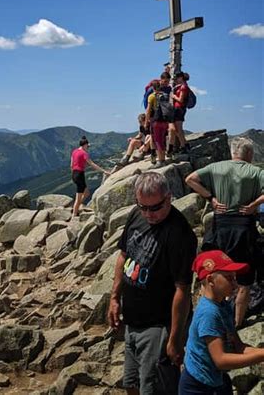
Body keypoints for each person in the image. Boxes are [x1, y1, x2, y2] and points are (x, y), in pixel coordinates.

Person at [107, 172, 197, 395]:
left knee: (155, 388)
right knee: (131, 383)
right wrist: (114, 298)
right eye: (142, 207)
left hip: (158, 326)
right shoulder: (136, 215)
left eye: (155, 208)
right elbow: (123, 255)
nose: (149, 214)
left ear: (168, 198)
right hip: (132, 321)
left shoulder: (180, 234)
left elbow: (182, 290)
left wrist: (174, 339)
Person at [185, 137, 264, 327]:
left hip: (220, 226)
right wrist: (254, 204)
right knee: (245, 280)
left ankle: (211, 319)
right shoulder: (255, 172)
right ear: (250, 154)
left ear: (232, 152)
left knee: (215, 272)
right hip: (244, 227)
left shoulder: (216, 167)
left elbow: (190, 179)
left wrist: (211, 198)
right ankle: (236, 323)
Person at [179, 250, 264, 395]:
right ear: (211, 280)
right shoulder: (209, 313)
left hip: (216, 380)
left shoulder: (223, 306)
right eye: (229, 278)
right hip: (198, 386)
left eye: (234, 278)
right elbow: (221, 359)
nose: (235, 284)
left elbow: (239, 347)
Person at [70, 136, 110, 218]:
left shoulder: (74, 151)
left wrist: (74, 175)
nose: (88, 148)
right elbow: (92, 164)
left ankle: (76, 207)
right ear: (85, 145)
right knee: (78, 197)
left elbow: (71, 165)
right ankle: (74, 214)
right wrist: (103, 171)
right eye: (88, 146)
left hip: (74, 174)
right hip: (80, 175)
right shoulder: (84, 153)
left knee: (87, 193)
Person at [145, 81, 170, 168]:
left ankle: (160, 161)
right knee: (162, 139)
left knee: (157, 141)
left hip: (156, 121)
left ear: (153, 88)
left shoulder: (151, 96)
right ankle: (163, 158)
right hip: (165, 121)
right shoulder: (165, 95)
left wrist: (146, 122)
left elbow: (148, 110)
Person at [168, 72, 190, 157]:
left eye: (177, 78)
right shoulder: (182, 86)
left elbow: (180, 100)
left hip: (179, 109)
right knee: (177, 129)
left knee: (178, 129)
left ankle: (184, 146)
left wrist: (173, 96)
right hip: (178, 109)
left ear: (181, 78)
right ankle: (184, 145)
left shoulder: (183, 87)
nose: (176, 79)